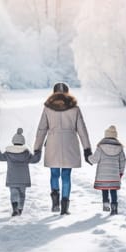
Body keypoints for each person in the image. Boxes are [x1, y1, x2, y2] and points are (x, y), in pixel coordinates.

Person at [34, 82, 92, 215]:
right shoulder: (75, 108)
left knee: (54, 174)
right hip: (69, 144)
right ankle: (65, 207)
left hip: (53, 144)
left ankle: (55, 203)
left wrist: (37, 148)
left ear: (53, 93)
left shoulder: (48, 108)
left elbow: (42, 129)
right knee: (66, 175)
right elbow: (82, 130)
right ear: (68, 92)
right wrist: (87, 149)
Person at [0, 128, 42, 216]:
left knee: (14, 193)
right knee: (22, 195)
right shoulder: (26, 154)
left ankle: (15, 208)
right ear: (23, 142)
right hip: (23, 180)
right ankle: (20, 209)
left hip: (12, 179)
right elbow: (35, 159)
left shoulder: (8, 154)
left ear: (13, 142)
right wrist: (38, 151)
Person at [88, 125, 126, 215]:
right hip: (114, 175)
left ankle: (105, 204)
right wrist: (120, 172)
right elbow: (123, 161)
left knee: (104, 189)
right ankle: (114, 208)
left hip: (103, 174)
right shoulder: (120, 148)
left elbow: (94, 159)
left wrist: (88, 157)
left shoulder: (101, 147)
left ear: (106, 135)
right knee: (113, 190)